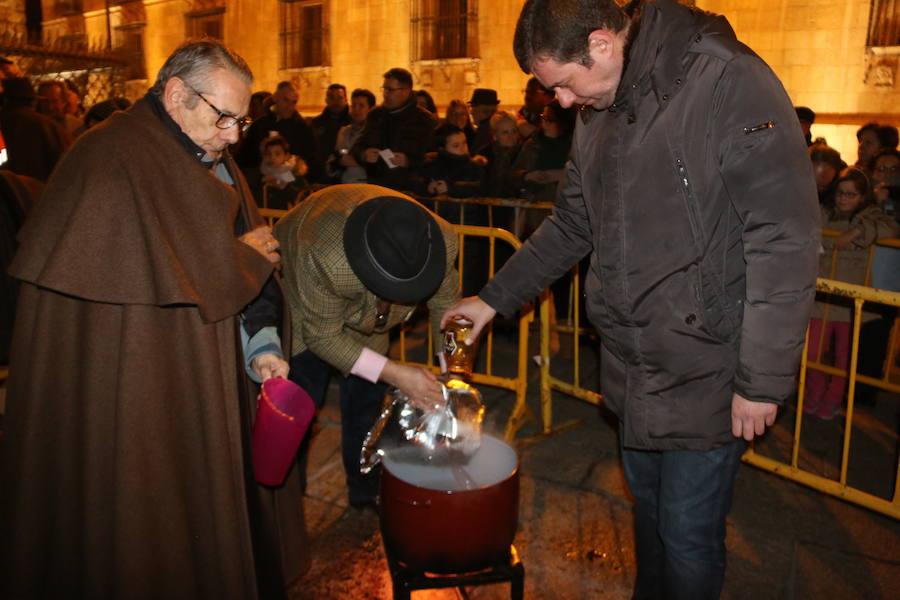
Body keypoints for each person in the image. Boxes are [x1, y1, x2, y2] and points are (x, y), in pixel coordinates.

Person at [441, 1, 820, 598]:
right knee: (648, 515)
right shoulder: (600, 103)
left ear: (601, 44)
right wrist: (492, 300)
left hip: (710, 365)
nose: (561, 103)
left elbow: (784, 236)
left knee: (688, 533)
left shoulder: (726, 78)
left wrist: (762, 381)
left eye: (562, 85)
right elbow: (572, 224)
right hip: (633, 363)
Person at [0, 40, 308, 600]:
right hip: (141, 397)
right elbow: (152, 300)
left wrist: (261, 342)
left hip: (214, 382)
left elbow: (249, 256)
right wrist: (243, 260)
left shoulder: (209, 153)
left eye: (242, 120)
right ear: (175, 95)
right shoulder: (111, 159)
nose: (235, 136)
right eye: (225, 118)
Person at [273, 184, 459, 510]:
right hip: (304, 314)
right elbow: (323, 337)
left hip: (368, 316)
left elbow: (446, 309)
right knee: (298, 409)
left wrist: (450, 376)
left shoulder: (440, 241)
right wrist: (396, 373)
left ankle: (364, 490)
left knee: (366, 405)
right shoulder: (322, 254)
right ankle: (287, 506)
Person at [806, 168, 898, 418]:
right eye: (840, 193)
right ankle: (813, 393)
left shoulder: (870, 216)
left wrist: (857, 232)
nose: (843, 199)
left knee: (844, 358)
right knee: (811, 352)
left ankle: (833, 399)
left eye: (851, 194)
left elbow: (891, 227)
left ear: (862, 196)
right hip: (823, 298)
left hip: (851, 302)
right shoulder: (825, 213)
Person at [352, 67, 437, 191]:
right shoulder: (376, 115)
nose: (385, 93)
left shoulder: (424, 119)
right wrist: (363, 154)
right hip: (377, 186)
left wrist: (409, 161)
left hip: (410, 189)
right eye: (384, 88)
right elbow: (358, 145)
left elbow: (433, 156)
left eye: (390, 90)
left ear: (406, 91)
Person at [236, 80, 321, 182]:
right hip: (262, 184)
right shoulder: (260, 126)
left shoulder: (302, 128)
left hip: (293, 185)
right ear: (276, 98)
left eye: (294, 102)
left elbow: (312, 160)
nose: (289, 106)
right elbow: (244, 157)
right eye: (286, 100)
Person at [0, 77, 72, 181]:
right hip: (41, 191)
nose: (49, 107)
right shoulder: (50, 127)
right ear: (33, 102)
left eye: (54, 101)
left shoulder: (49, 126)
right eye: (46, 101)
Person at [325, 87, 375, 184]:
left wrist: (357, 161)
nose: (356, 110)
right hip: (343, 185)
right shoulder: (343, 132)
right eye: (354, 105)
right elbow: (331, 163)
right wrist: (339, 162)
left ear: (370, 109)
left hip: (366, 186)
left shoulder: (374, 134)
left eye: (361, 106)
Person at [310, 83, 351, 180]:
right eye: (332, 98)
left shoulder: (352, 123)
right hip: (321, 176)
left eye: (339, 98)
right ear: (326, 100)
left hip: (345, 176)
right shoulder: (316, 123)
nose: (336, 102)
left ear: (346, 100)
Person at [257, 134, 309, 209]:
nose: (272, 157)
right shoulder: (261, 177)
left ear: (286, 156)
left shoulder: (295, 177)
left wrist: (279, 184)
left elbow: (300, 200)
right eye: (268, 154)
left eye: (277, 154)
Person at [467, 87, 501, 157]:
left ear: (482, 111)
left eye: (472, 107)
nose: (471, 112)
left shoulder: (484, 130)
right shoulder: (496, 127)